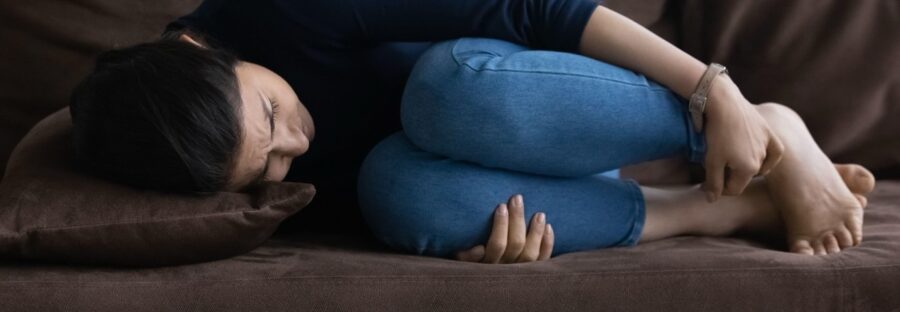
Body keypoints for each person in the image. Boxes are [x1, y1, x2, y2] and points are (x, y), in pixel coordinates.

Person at [68, 0, 875, 263]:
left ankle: (772, 130)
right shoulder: (179, 151)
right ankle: (720, 210)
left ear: (200, 50)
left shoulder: (283, 10)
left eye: (272, 116)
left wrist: (715, 89)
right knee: (398, 197)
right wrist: (476, 235)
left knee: (443, 90)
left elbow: (535, 7)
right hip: (527, 177)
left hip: (524, 100)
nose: (297, 145)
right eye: (267, 167)